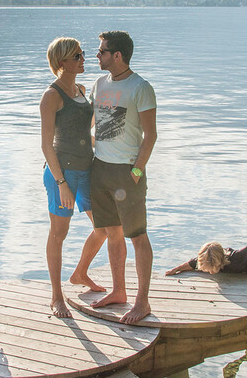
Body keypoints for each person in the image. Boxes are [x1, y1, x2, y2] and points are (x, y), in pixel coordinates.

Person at [89, 30, 157, 325]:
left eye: (102, 51)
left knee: (137, 236)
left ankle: (142, 301)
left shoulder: (140, 87)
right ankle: (119, 291)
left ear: (117, 55)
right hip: (100, 168)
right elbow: (93, 124)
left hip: (127, 172)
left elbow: (151, 136)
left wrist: (137, 172)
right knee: (113, 233)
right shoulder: (99, 83)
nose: (97, 55)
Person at [40, 37, 107, 318]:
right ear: (62, 62)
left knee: (103, 227)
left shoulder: (80, 90)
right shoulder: (52, 96)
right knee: (59, 234)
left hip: (87, 168)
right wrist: (62, 183)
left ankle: (80, 273)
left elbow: (85, 130)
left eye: (81, 54)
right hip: (63, 173)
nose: (83, 59)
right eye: (77, 55)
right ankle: (56, 296)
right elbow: (46, 145)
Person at [166, 242, 247, 313]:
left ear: (220, 262)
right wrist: (175, 269)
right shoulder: (208, 260)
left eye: (210, 270)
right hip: (236, 275)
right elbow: (191, 264)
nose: (209, 272)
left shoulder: (235, 258)